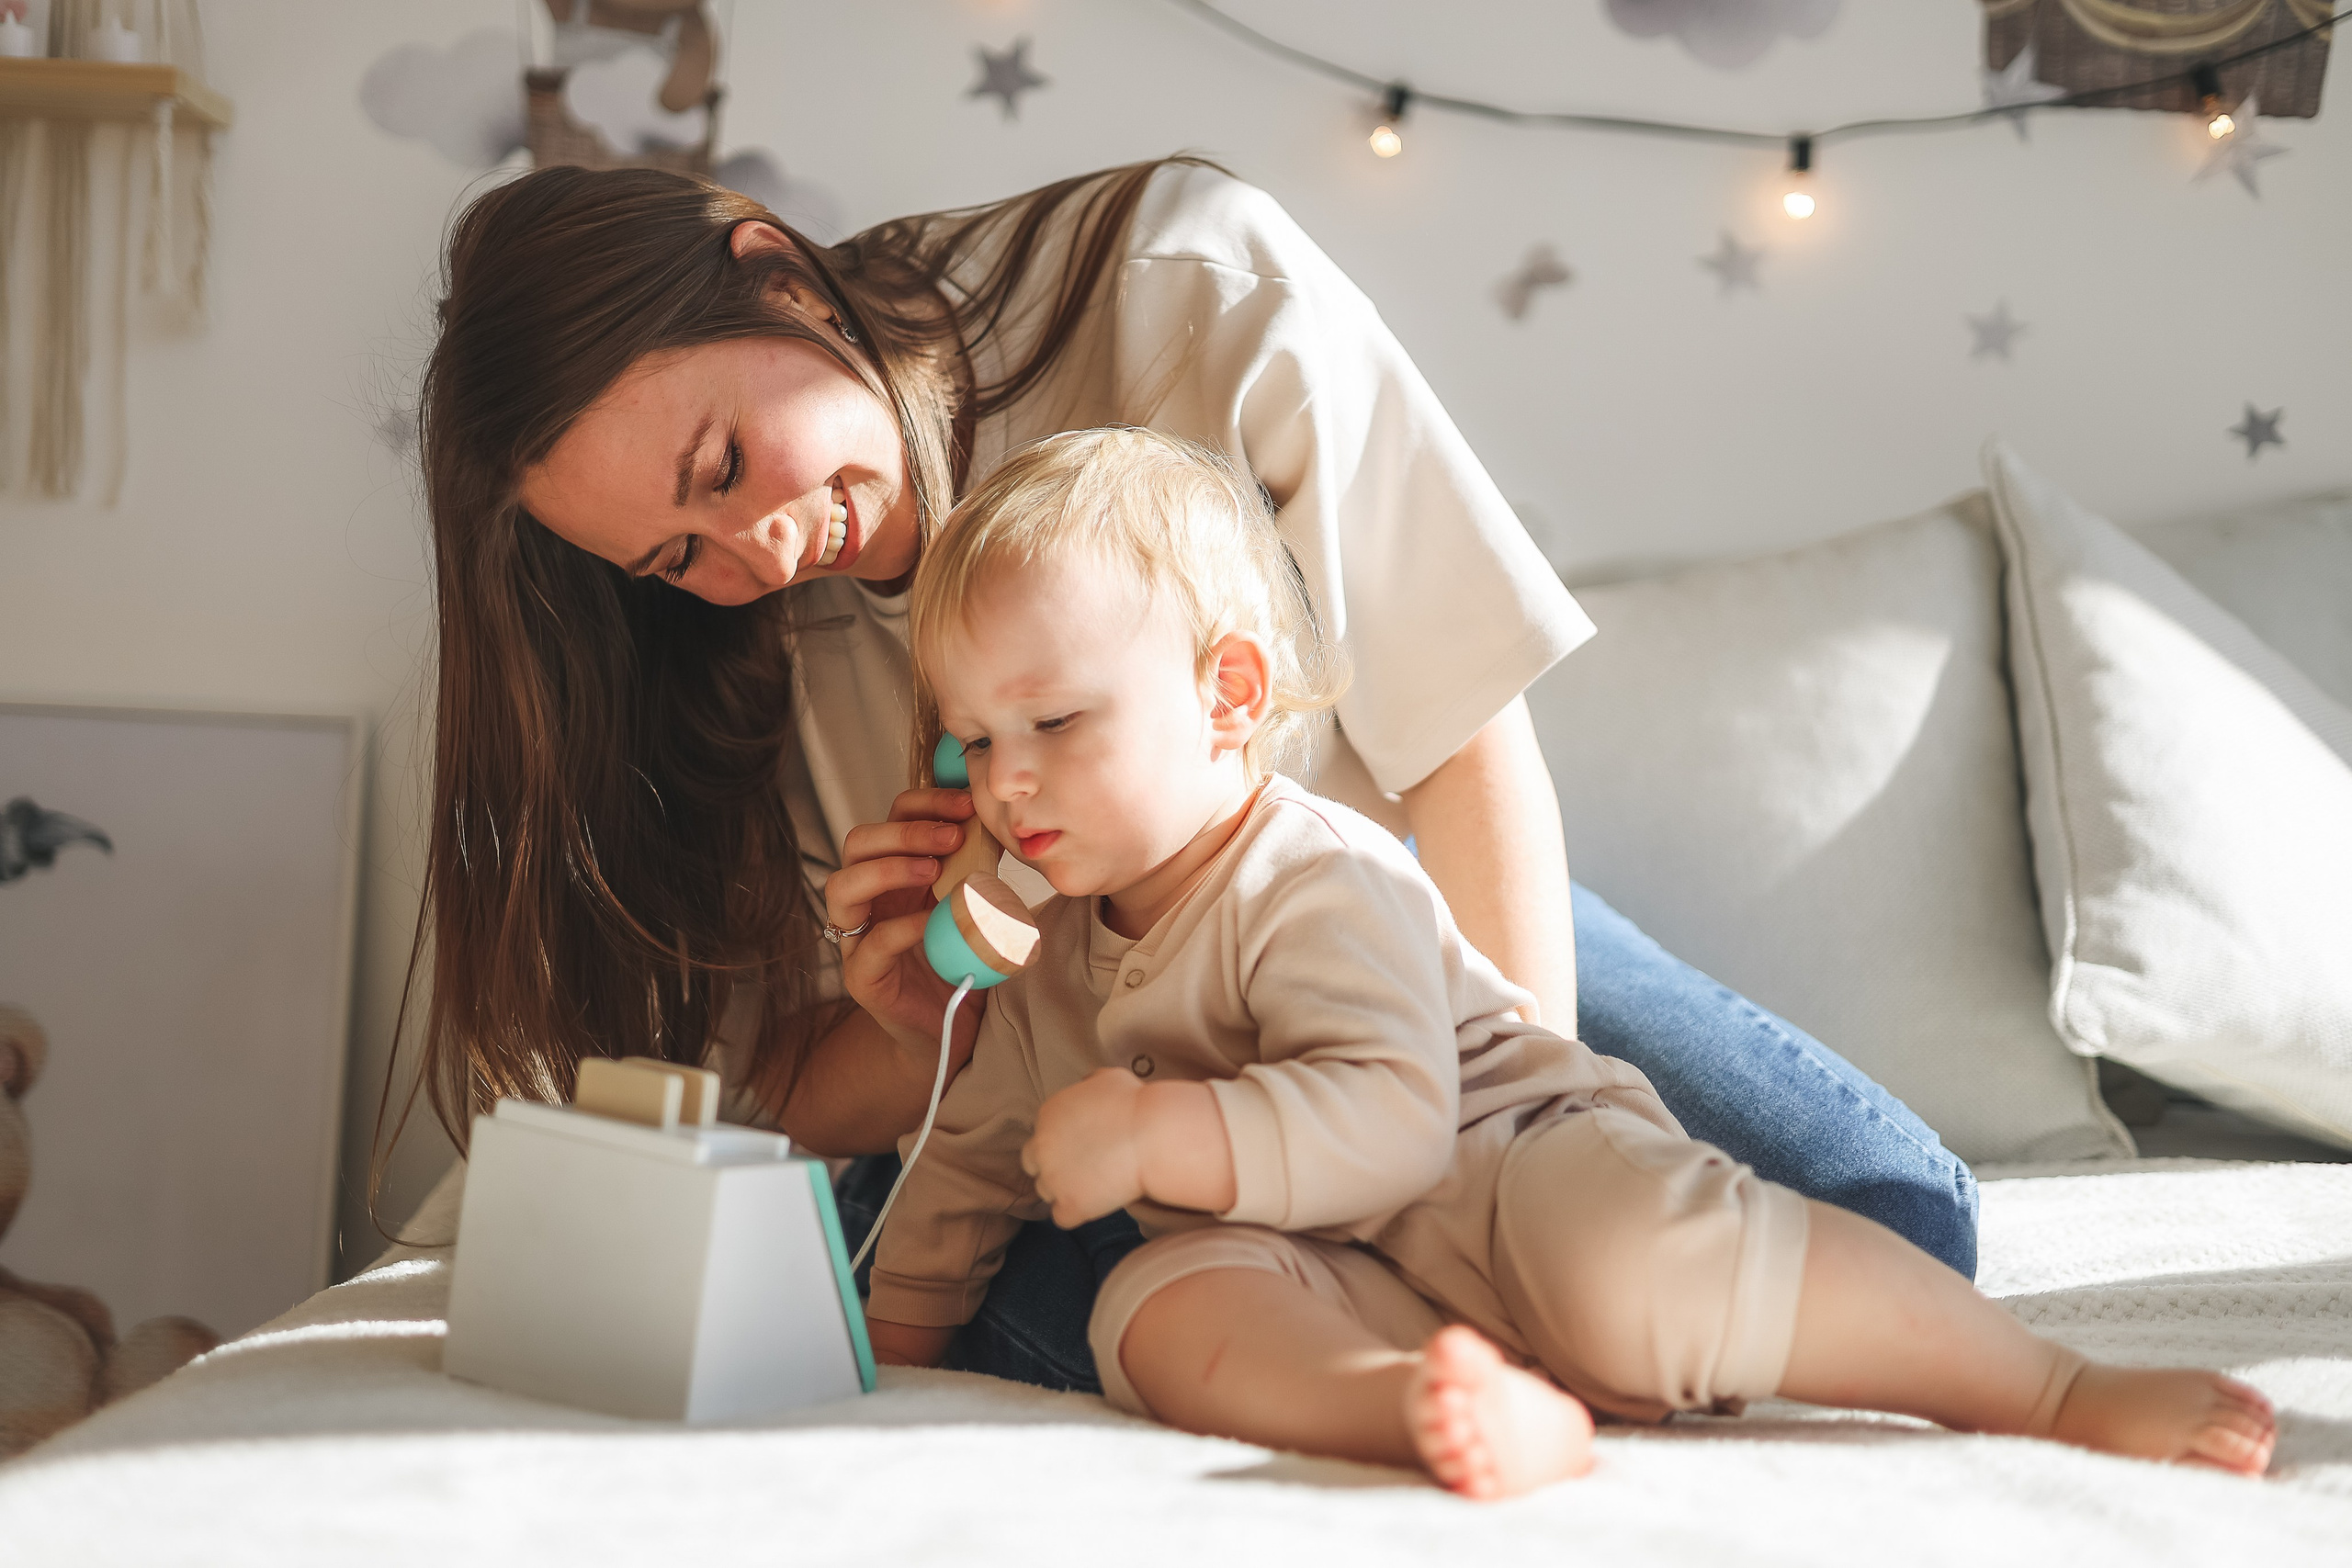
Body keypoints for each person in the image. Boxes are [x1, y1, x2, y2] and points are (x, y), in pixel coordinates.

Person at [408, 155, 1978, 1395]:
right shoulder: (744, 666)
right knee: (1079, 1283)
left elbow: (1459, 739)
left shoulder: (1187, 289)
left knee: (1889, 1223)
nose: (758, 549)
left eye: (724, 467)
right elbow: (827, 1098)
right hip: (1094, 1055)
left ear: (770, 269)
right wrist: (921, 1029)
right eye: (681, 554)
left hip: (1400, 947)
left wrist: (1491, 1179)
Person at [862, 425, 2274, 1498]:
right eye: (978, 740)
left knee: (1636, 1267)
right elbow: (974, 1145)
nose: (1006, 785)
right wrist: (893, 1342)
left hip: (1502, 1167)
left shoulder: (1320, 874)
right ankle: (1415, 1402)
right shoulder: (1041, 949)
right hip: (1340, 1269)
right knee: (1157, 1310)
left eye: (1052, 722)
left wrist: (1170, 1128)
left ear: (1227, 697)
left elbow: (1393, 1122)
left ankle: (2049, 1386)